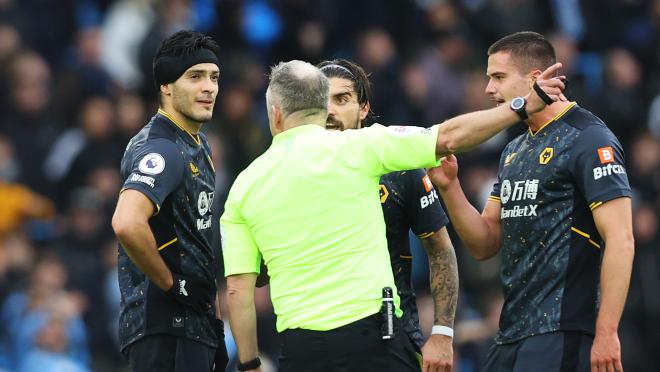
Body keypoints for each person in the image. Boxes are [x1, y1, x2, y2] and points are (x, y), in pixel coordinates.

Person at [221, 59, 564, 372]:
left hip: (301, 346)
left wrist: (249, 363)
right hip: (373, 335)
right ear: (316, 108)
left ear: (276, 115)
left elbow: (239, 289)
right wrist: (522, 105)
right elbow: (450, 135)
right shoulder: (363, 148)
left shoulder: (244, 186)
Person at [427, 31, 634, 372]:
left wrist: (608, 332)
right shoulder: (514, 150)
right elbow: (485, 242)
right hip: (511, 333)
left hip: (563, 330)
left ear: (536, 80)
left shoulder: (589, 139)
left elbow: (622, 240)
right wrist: (450, 187)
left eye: (498, 77)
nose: (488, 89)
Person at [318, 59, 457, 372]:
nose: (330, 111)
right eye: (320, 100)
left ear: (364, 108)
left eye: (342, 99)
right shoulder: (293, 170)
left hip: (392, 335)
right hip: (318, 338)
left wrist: (443, 333)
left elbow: (441, 250)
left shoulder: (397, 167)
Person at [111, 30, 228, 372]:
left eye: (214, 77)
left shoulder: (198, 145)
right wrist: (171, 285)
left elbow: (197, 245)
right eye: (195, 77)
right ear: (166, 86)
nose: (209, 87)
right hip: (165, 329)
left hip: (193, 329)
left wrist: (215, 327)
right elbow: (126, 222)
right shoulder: (162, 149)